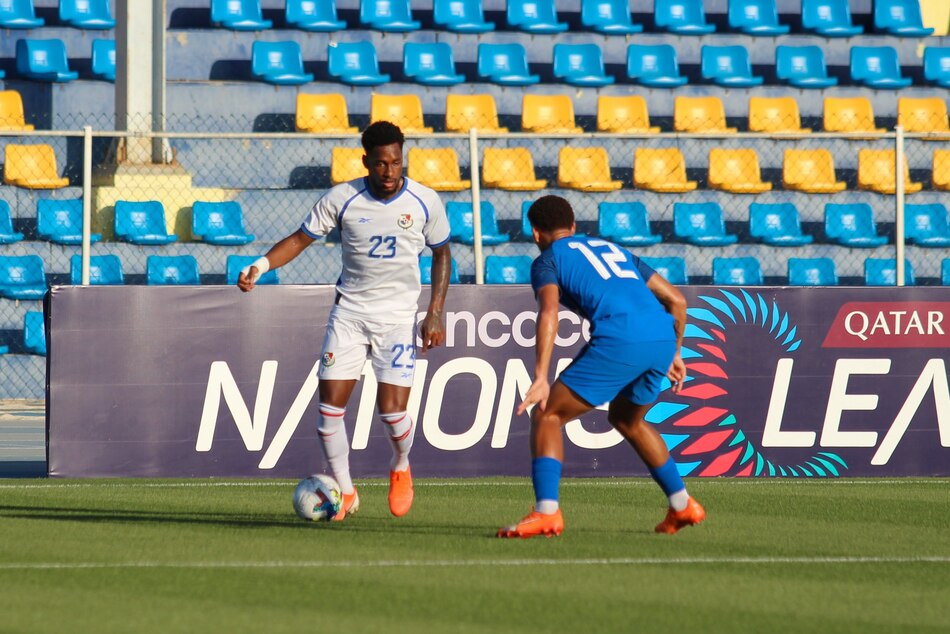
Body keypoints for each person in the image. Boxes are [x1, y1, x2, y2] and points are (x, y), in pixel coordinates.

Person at [238, 121, 452, 521]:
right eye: (381, 164)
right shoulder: (342, 199)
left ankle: (401, 463)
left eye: (396, 162)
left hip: (397, 319)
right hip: (350, 315)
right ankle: (348, 493)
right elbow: (301, 239)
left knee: (391, 414)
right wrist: (260, 265)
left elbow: (442, 253)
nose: (390, 172)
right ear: (365, 162)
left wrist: (434, 312)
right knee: (327, 415)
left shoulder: (425, 201)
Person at [498, 195, 704, 538]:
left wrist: (540, 377)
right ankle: (682, 505)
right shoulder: (614, 250)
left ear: (535, 233)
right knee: (628, 420)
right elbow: (676, 300)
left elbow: (549, 312)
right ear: (574, 227)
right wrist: (675, 353)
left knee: (548, 414)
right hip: (661, 338)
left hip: (621, 337)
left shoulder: (548, 260)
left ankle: (546, 513)